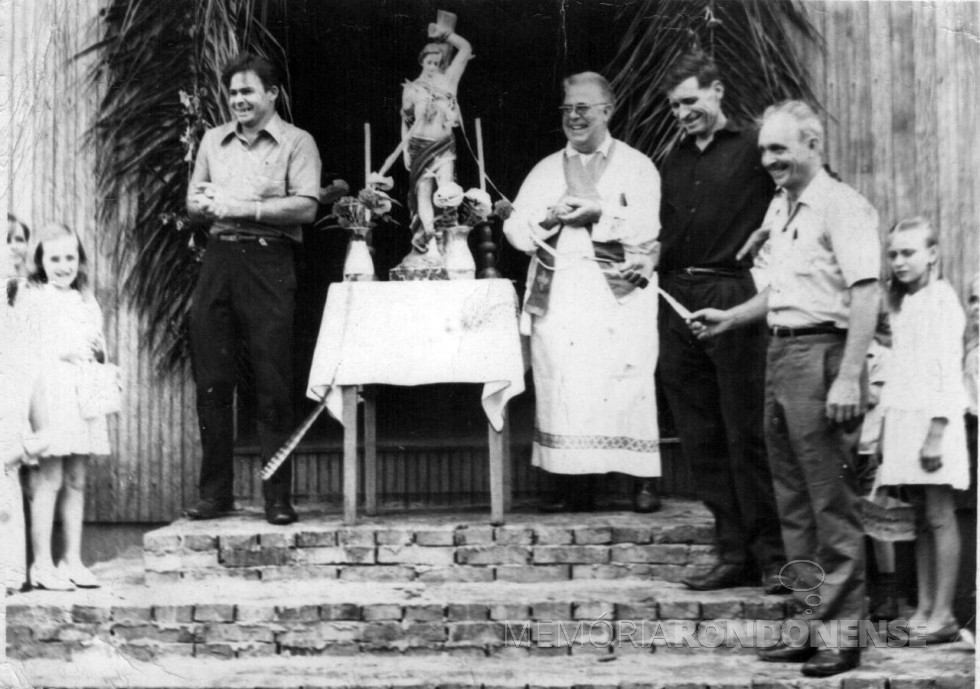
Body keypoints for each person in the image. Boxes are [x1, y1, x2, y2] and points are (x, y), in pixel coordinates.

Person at [691, 100, 881, 677]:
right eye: (764, 150)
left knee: (830, 503)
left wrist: (849, 374)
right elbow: (781, 291)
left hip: (824, 356)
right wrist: (731, 319)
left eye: (780, 148)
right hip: (781, 352)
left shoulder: (841, 206)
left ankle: (843, 635)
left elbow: (866, 292)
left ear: (812, 145)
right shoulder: (787, 209)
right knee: (793, 505)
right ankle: (807, 624)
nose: (770, 159)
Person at [503, 72, 661, 513]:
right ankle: (573, 484)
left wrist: (600, 211)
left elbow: (651, 226)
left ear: (607, 111)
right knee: (566, 385)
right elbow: (515, 228)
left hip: (619, 294)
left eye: (584, 108)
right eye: (568, 109)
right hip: (564, 295)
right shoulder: (546, 169)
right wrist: (549, 220)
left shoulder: (636, 165)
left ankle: (642, 480)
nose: (574, 117)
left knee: (627, 382)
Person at [656, 51, 784, 584]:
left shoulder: (758, 147)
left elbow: (800, 198)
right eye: (675, 106)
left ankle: (773, 559)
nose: (683, 113)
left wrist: (770, 240)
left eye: (691, 101)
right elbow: (665, 232)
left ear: (717, 91)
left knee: (745, 433)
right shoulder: (673, 161)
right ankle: (732, 553)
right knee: (700, 435)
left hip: (732, 295)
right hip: (675, 297)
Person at [185, 53, 321, 525]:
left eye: (248, 91)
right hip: (219, 261)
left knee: (273, 383)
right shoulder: (212, 141)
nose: (238, 100)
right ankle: (215, 495)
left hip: (269, 261)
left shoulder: (297, 143)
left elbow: (305, 207)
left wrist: (241, 207)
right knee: (213, 382)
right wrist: (202, 205)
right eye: (233, 92)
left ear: (271, 94)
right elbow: (194, 199)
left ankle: (277, 498)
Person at [877, 218, 970, 644]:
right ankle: (925, 608)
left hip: (936, 422)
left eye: (909, 252)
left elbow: (945, 375)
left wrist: (935, 434)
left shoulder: (942, 300)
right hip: (906, 420)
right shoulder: (908, 303)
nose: (899, 261)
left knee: (939, 514)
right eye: (893, 253)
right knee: (919, 518)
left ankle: (945, 613)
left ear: (932, 253)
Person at [11, 223, 109, 591]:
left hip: (82, 396)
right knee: (48, 480)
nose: (63, 265)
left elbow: (97, 344)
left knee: (77, 481)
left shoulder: (85, 298)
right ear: (41, 261)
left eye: (70, 257)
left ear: (80, 261)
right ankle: (41, 564)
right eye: (55, 258)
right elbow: (24, 348)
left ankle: (73, 560)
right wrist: (61, 352)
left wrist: (97, 353)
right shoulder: (33, 296)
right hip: (51, 396)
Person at [401, 26, 472, 257]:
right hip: (419, 146)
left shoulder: (449, 81)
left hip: (443, 147)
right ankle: (430, 240)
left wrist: (445, 34)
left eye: (438, 62)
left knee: (446, 191)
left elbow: (465, 48)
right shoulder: (411, 88)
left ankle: (446, 242)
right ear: (422, 62)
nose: (434, 67)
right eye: (430, 62)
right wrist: (404, 151)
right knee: (423, 195)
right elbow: (406, 123)